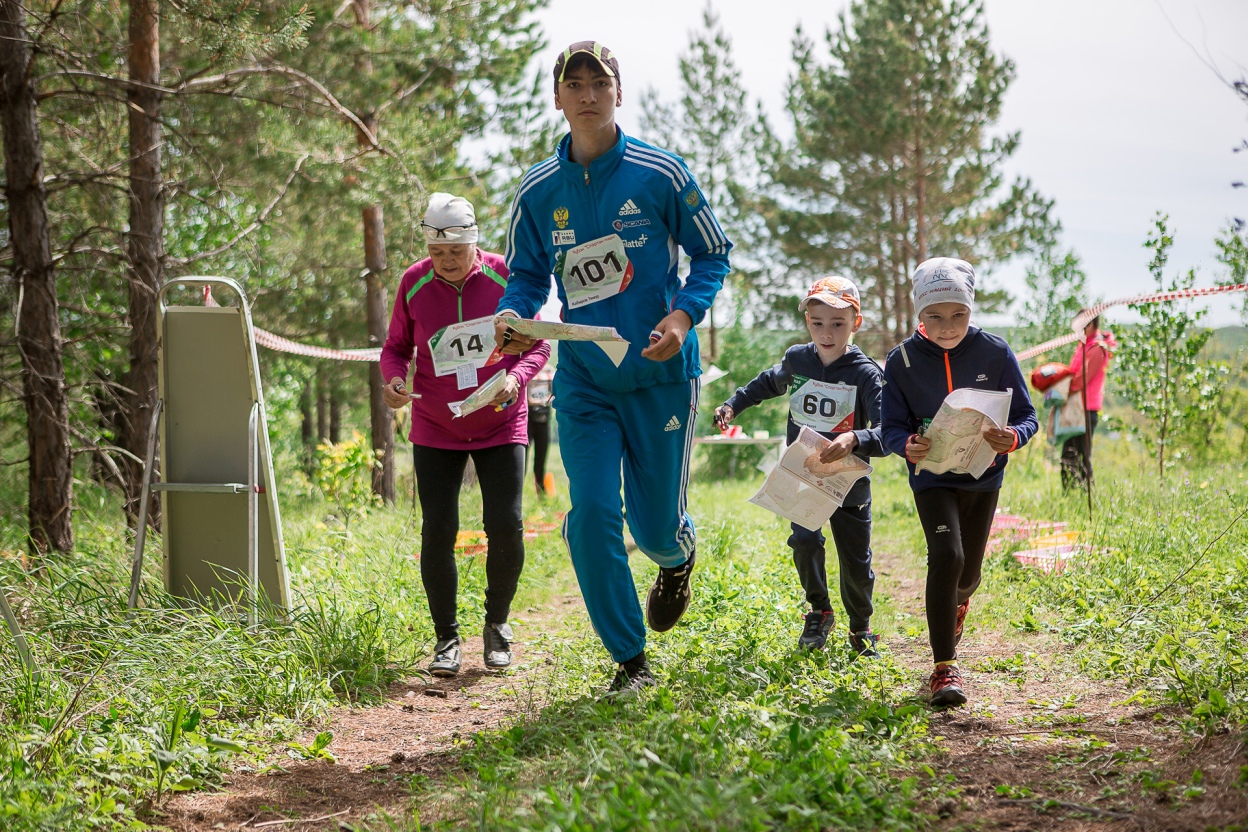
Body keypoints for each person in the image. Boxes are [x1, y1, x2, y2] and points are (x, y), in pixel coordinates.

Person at [492, 41, 732, 695]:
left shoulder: (662, 173)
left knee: (655, 531)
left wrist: (682, 317)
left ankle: (676, 560)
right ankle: (631, 661)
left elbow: (713, 253)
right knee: (592, 511)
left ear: (618, 93)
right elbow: (526, 276)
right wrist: (512, 316)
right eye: (574, 83)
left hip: (660, 375)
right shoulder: (538, 191)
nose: (588, 94)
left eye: (600, 82)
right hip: (586, 380)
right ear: (558, 98)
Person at [380, 192, 550, 678]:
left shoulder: (506, 277)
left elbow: (539, 345)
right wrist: (394, 382)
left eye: (456, 251)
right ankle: (446, 638)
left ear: (475, 243)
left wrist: (516, 378)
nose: (447, 262)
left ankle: (497, 625)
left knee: (506, 524)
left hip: (501, 420)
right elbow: (395, 348)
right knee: (438, 530)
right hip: (436, 424)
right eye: (437, 252)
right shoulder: (413, 282)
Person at [880, 258, 1038, 708]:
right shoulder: (902, 360)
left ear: (971, 309)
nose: (947, 326)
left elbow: (1027, 416)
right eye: (934, 316)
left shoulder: (995, 352)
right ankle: (943, 668)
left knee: (967, 574)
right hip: (931, 478)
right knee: (947, 555)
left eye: (958, 314)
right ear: (919, 313)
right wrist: (905, 445)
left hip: (984, 477)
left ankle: (959, 601)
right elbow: (891, 427)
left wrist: (1013, 437)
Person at [714, 276, 888, 657]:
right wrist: (731, 406)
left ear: (856, 323)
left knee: (855, 563)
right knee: (804, 542)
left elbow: (886, 431)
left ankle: (860, 628)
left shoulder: (866, 373)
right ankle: (819, 610)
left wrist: (855, 439)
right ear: (807, 320)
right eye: (818, 322)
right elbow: (764, 384)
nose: (827, 333)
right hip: (804, 477)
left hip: (848, 485)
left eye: (838, 324)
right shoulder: (798, 360)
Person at [1060, 313, 1116, 490]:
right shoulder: (1084, 346)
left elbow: (1080, 380)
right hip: (1075, 407)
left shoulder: (1097, 348)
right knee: (1068, 455)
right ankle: (1069, 495)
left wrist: (1058, 385)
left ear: (1089, 324)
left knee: (1082, 455)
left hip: (1086, 409)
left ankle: (1086, 494)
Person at [527, 362, 556, 497]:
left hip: (544, 419)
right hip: (527, 418)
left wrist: (547, 401)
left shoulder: (549, 370)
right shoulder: (527, 366)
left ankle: (541, 493)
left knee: (541, 459)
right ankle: (518, 493)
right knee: (522, 459)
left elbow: (555, 391)